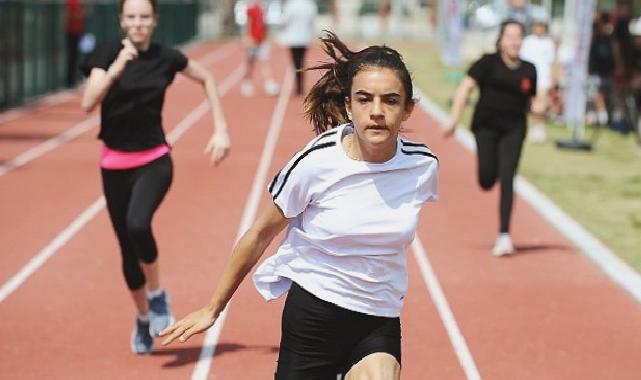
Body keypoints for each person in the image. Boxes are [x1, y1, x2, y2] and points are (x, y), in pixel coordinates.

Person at [160, 31, 439, 379]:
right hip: (315, 314)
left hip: (377, 315)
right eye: (364, 99)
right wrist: (213, 307)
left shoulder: (422, 167)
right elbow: (260, 234)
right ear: (349, 106)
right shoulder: (317, 161)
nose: (377, 112)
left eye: (391, 100)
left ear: (408, 108)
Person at [79, 0, 230, 354]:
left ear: (155, 21)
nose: (138, 23)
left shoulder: (166, 57)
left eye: (144, 17)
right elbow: (88, 101)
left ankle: (158, 295)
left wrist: (221, 128)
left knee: (137, 224)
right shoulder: (105, 53)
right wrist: (117, 66)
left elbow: (206, 77)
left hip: (154, 160)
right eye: (131, 17)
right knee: (127, 254)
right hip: (113, 163)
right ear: (121, 21)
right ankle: (143, 317)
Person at [444, 20, 536, 257]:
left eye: (518, 36)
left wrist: (546, 108)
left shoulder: (529, 69)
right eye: (510, 36)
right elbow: (465, 88)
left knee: (508, 177)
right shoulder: (488, 63)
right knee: (486, 180)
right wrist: (454, 120)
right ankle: (490, 171)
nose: (515, 41)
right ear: (501, 40)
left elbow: (535, 104)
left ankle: (504, 235)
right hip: (486, 127)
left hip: (514, 129)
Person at [520, 19, 555, 143]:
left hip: (543, 78)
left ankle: (539, 127)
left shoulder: (548, 43)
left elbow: (551, 62)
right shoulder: (527, 41)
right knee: (530, 103)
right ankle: (532, 127)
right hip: (529, 78)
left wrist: (552, 78)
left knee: (541, 104)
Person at [278, 0, 318, 96]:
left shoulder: (290, 6)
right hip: (304, 38)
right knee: (301, 62)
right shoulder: (310, 5)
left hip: (293, 39)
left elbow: (283, 21)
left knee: (296, 63)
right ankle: (300, 87)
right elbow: (312, 21)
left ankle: (298, 87)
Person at [241, 0, 279, 96]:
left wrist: (266, 38)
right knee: (250, 64)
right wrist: (248, 37)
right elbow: (248, 24)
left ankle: (269, 84)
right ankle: (247, 83)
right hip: (253, 41)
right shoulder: (250, 9)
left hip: (262, 41)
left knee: (265, 62)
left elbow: (263, 26)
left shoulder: (262, 9)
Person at [65, 0, 84, 88]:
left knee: (76, 56)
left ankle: (74, 79)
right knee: (71, 56)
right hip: (71, 32)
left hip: (78, 31)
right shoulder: (71, 2)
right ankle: (70, 81)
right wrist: (78, 15)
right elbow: (68, 15)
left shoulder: (78, 2)